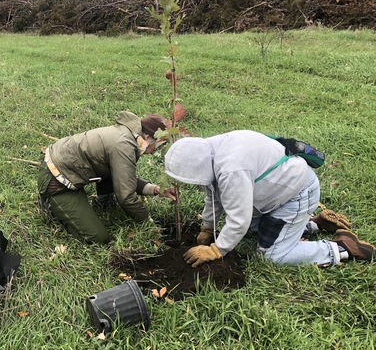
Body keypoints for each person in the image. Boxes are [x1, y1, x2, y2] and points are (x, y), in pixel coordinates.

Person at [164, 130, 376, 268]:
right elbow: (214, 194)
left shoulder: (232, 169)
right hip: (276, 192)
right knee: (254, 231)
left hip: (296, 195)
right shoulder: (211, 150)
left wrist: (216, 249)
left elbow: (240, 219)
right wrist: (208, 228)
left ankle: (341, 248)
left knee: (272, 255)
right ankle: (313, 225)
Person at [38, 111, 176, 244]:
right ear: (147, 137)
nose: (155, 152)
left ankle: (103, 201)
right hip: (57, 181)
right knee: (97, 237)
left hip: (69, 168)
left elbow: (124, 179)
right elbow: (126, 198)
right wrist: (148, 222)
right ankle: (52, 205)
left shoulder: (129, 135)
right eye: (159, 145)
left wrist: (156, 189)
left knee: (112, 172)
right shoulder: (124, 146)